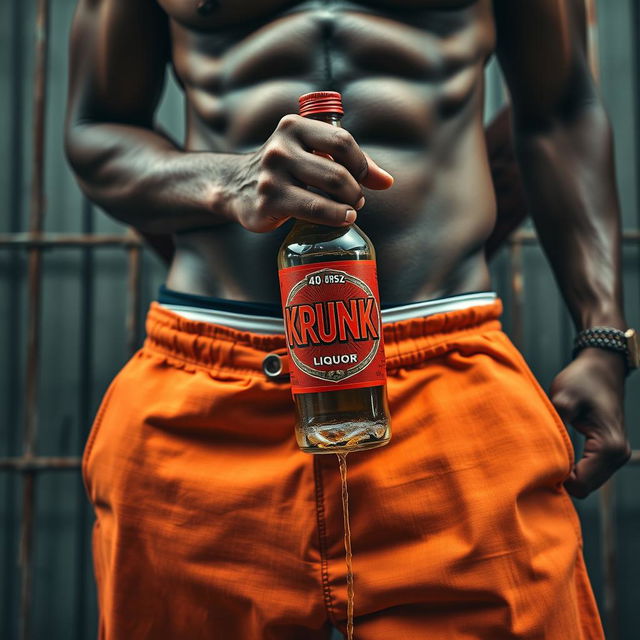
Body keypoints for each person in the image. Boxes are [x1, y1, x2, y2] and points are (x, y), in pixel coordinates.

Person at [65, 1, 633, 638]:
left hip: (446, 374)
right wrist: (228, 180)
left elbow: (559, 112)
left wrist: (603, 336)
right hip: (211, 391)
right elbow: (98, 129)